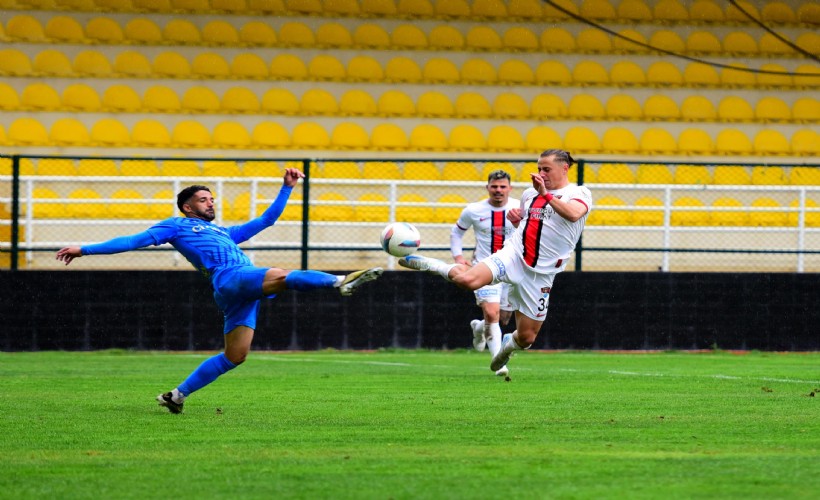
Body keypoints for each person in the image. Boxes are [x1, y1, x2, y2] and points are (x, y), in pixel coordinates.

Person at [56, 168, 382, 413]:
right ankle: (339, 282)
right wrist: (84, 248)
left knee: (235, 356)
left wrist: (286, 188)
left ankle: (177, 396)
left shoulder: (223, 231)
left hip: (235, 289)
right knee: (281, 274)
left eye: (212, 198)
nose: (210, 202)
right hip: (230, 277)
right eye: (203, 199)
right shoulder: (176, 225)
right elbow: (130, 242)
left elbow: (267, 220)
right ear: (187, 207)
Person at [399, 150, 591, 374]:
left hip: (541, 274)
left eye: (546, 169)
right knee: (468, 280)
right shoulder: (530, 194)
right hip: (513, 255)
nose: (541, 173)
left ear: (564, 168)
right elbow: (533, 230)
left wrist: (546, 194)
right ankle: (429, 264)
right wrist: (520, 222)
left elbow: (574, 214)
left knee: (527, 337)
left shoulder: (578, 193)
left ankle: (507, 347)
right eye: (538, 168)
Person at [449, 169, 518, 376]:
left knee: (503, 319)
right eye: (494, 186)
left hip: (512, 268)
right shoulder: (473, 210)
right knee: (491, 313)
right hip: (484, 267)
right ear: (487, 187)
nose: (498, 190)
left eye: (502, 186)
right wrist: (459, 258)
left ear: (509, 188)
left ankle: (478, 328)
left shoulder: (518, 208)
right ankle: (499, 362)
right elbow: (456, 233)